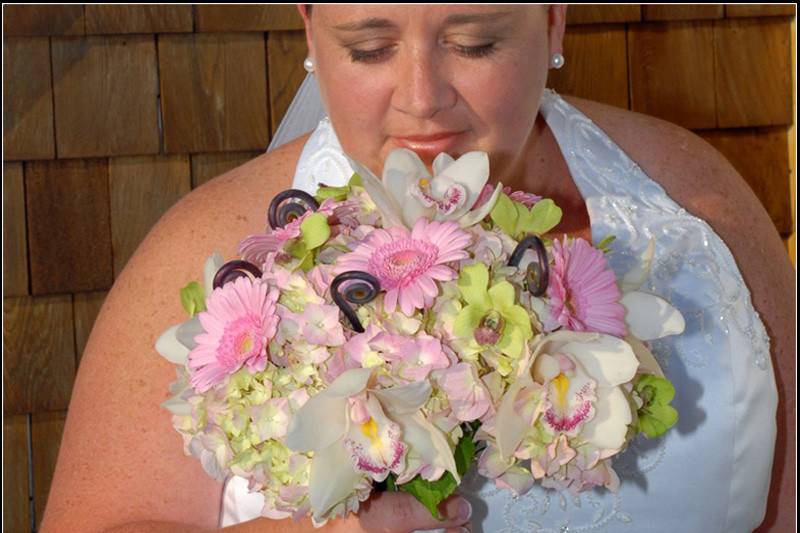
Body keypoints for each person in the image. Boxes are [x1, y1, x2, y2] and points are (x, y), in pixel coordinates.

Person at [40, 5, 794, 533]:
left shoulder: (694, 198)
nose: (422, 99)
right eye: (368, 47)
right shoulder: (210, 256)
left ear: (554, 17)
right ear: (309, 26)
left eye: (473, 42)